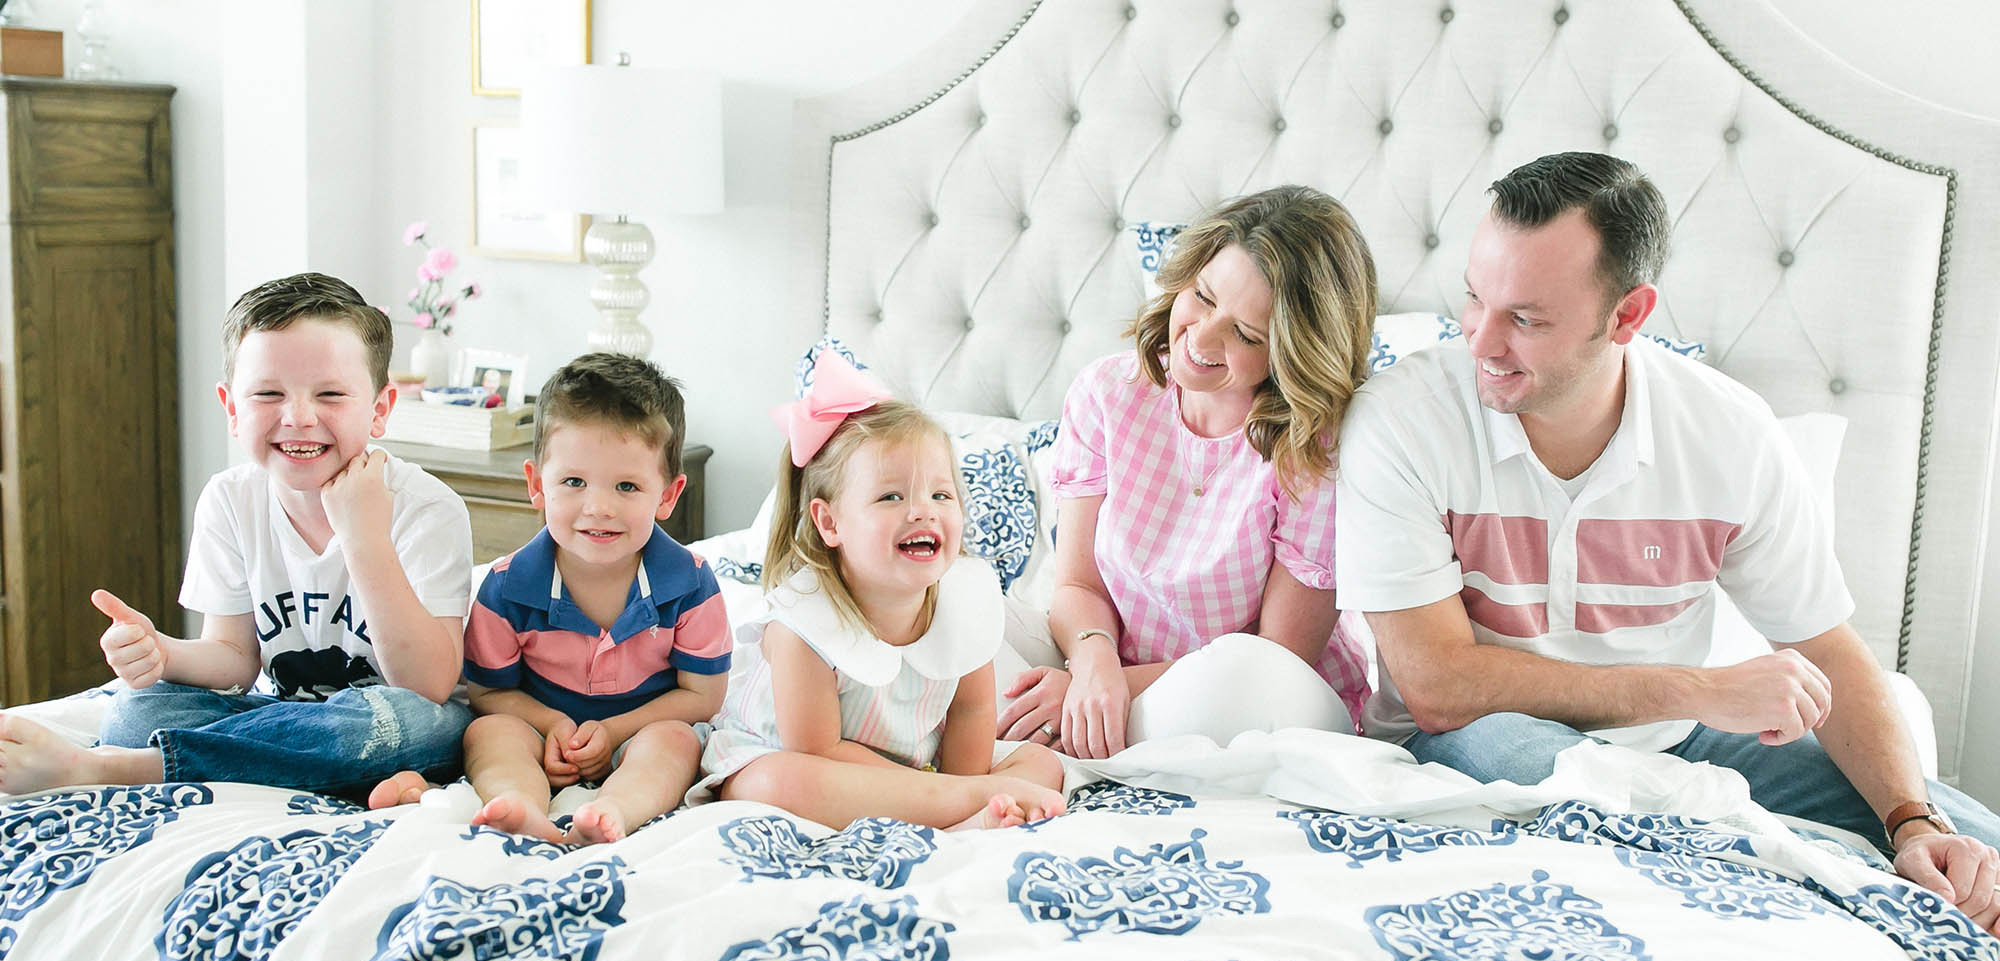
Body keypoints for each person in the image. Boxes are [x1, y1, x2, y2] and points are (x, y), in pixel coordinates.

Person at [1334, 151, 2000, 933]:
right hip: (1469, 739)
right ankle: (1708, 856)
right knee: (1522, 757)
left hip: (1680, 748)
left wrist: (1911, 818)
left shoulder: (1729, 433)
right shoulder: (1402, 419)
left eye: (1525, 319)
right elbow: (1435, 687)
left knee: (1972, 845)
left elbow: (1826, 648)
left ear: (1627, 315)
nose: (1481, 339)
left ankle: (1744, 832)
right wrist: (1700, 688)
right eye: (1475, 299)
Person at [0, 272, 473, 797]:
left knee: (383, 720)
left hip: (398, 718)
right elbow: (235, 659)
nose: (298, 418)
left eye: (331, 394)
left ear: (380, 409)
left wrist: (363, 538)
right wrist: (163, 653)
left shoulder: (427, 508)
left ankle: (126, 769)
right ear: (231, 407)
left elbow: (428, 686)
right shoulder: (230, 499)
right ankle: (277, 761)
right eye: (268, 393)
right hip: (286, 714)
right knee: (137, 713)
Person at [996, 184, 1377, 760]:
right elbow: (1076, 587)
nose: (1200, 338)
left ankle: (1078, 735)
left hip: (1250, 697)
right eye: (1202, 296)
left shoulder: (1314, 450)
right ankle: (1078, 733)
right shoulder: (1108, 393)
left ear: (1293, 352)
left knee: (1235, 678)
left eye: (1245, 334)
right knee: (960, 605)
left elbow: (1273, 661)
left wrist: (1100, 688)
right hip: (1108, 671)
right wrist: (1093, 662)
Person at [693, 352, 1066, 829]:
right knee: (771, 785)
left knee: (1045, 764)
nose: (922, 512)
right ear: (829, 522)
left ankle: (967, 806)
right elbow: (818, 750)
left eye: (941, 495)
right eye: (891, 497)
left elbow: (972, 711)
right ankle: (967, 806)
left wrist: (961, 781)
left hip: (924, 773)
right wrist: (951, 792)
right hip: (813, 762)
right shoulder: (801, 623)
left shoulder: (963, 603)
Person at [374, 353, 729, 845]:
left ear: (668, 496)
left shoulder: (690, 585)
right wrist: (554, 725)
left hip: (641, 730)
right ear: (537, 485)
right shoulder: (506, 587)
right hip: (543, 732)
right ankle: (519, 805)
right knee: (487, 732)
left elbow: (703, 697)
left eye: (627, 486)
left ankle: (612, 814)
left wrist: (614, 732)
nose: (598, 507)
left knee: (676, 742)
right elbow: (489, 693)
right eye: (573, 482)